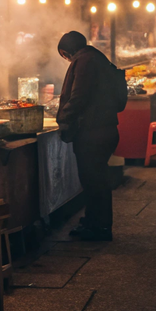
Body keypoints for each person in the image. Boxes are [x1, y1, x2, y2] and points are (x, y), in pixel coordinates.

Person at [55, 31, 122, 241]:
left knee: (94, 181)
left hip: (94, 132)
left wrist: (63, 118)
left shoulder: (84, 61)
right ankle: (94, 222)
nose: (66, 60)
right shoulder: (96, 57)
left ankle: (99, 227)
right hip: (104, 129)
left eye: (64, 56)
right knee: (95, 180)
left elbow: (79, 97)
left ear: (67, 51)